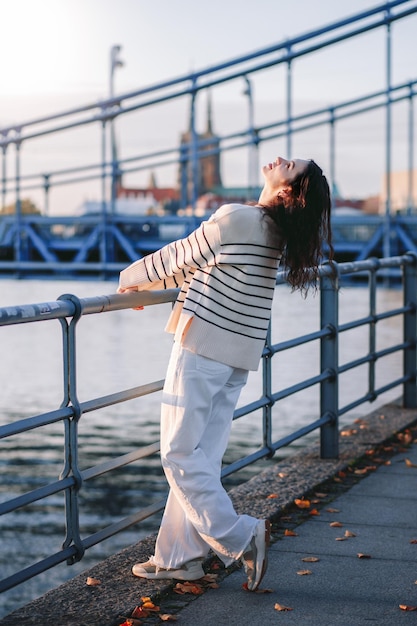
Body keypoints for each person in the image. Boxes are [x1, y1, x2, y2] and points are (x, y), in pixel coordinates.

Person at [117, 156, 333, 591]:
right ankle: (180, 557)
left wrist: (129, 281)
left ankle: (240, 536)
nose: (280, 160)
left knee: (177, 454)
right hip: (237, 355)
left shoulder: (237, 218)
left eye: (290, 166)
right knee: (201, 456)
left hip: (202, 348)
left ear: (287, 190)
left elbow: (179, 256)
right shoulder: (273, 233)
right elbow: (210, 265)